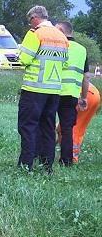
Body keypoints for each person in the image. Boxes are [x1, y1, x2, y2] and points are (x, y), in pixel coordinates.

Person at [16, 5, 68, 173]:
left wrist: (19, 52)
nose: (29, 24)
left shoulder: (35, 34)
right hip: (53, 90)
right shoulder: (62, 37)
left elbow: (24, 59)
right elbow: (64, 62)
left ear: (34, 18)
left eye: (29, 21)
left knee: (28, 126)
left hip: (34, 88)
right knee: (48, 127)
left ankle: (26, 164)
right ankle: (47, 166)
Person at [53, 21, 89, 166]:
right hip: (71, 95)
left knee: (47, 125)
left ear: (61, 30)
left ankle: (44, 157)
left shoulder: (58, 45)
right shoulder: (82, 50)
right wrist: (84, 97)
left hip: (53, 90)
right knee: (67, 129)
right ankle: (66, 161)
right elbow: (86, 76)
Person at [72, 83, 100, 162]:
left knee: (73, 127)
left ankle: (71, 158)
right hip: (94, 93)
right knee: (79, 127)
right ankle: (72, 156)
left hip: (84, 93)